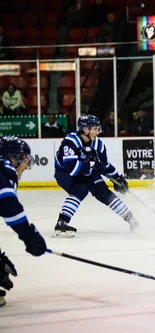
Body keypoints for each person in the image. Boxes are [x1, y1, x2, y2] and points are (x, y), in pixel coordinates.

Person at [53, 115, 138, 237]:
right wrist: (93, 164)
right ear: (85, 129)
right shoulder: (71, 141)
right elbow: (72, 169)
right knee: (80, 190)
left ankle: (131, 220)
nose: (97, 132)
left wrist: (117, 178)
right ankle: (61, 223)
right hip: (64, 173)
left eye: (98, 128)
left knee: (104, 192)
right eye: (95, 129)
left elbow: (105, 165)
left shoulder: (98, 145)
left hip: (86, 171)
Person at [0, 137, 47, 306]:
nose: (27, 165)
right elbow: (6, 203)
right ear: (14, 158)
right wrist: (28, 236)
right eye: (25, 159)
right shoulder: (5, 168)